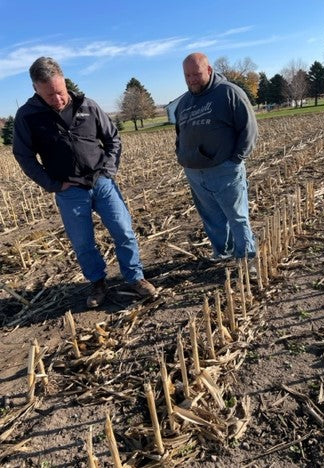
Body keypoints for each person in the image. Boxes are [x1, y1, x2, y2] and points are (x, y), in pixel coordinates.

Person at [13, 56, 156, 308]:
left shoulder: (87, 105)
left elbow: (112, 138)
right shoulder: (28, 116)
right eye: (49, 96)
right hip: (69, 191)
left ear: (63, 81)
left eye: (59, 92)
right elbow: (23, 155)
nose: (57, 99)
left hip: (102, 182)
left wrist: (109, 169)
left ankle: (135, 277)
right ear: (35, 88)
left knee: (123, 231)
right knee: (82, 242)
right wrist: (52, 184)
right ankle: (97, 283)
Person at [175, 52, 258, 264]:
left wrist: (235, 159)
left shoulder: (229, 93)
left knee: (237, 217)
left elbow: (249, 129)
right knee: (212, 218)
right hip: (194, 171)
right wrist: (181, 155)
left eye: (196, 74)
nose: (192, 79)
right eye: (187, 76)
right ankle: (223, 253)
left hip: (224, 169)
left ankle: (247, 258)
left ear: (209, 70)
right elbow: (179, 133)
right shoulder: (184, 102)